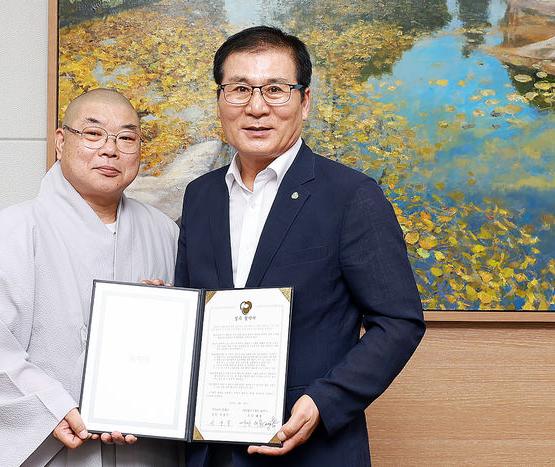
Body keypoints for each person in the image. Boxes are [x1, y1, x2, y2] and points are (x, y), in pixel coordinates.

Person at [174, 26, 426, 466]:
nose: (256, 108)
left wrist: (324, 401)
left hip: (311, 450)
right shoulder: (200, 196)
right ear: (219, 100)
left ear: (304, 102)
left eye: (275, 89)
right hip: (209, 451)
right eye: (239, 90)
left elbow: (399, 322)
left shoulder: (352, 196)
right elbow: (194, 310)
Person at [0, 89, 182, 466]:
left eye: (127, 137)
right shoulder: (17, 228)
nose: (110, 149)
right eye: (93, 134)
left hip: (148, 447)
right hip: (62, 444)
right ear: (60, 141)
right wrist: (52, 406)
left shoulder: (165, 232)